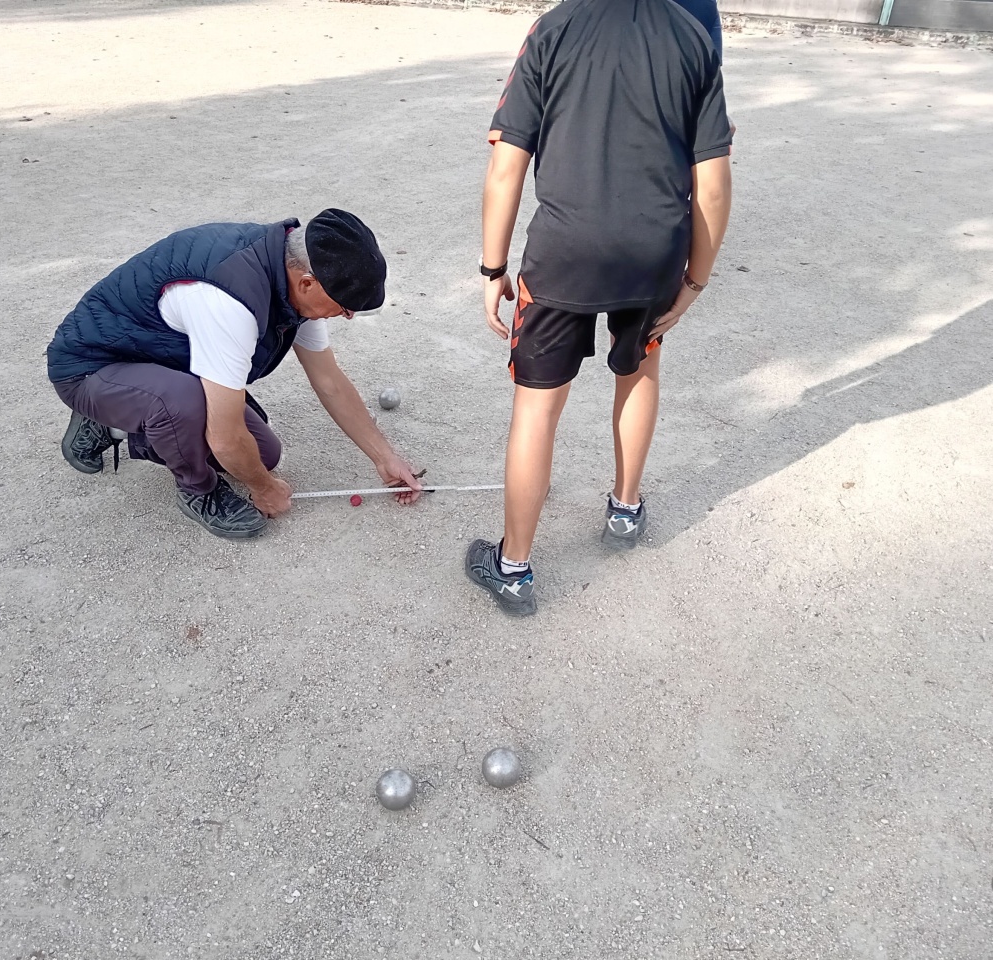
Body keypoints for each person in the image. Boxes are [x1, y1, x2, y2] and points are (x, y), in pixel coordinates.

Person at [466, 0, 734, 615]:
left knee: (536, 407)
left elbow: (506, 168)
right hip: (653, 253)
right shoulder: (693, 37)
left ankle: (513, 567)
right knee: (639, 369)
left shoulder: (553, 29)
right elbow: (714, 185)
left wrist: (493, 267)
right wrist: (695, 280)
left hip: (564, 253)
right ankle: (625, 509)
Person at [46, 209, 422, 538]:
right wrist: (264, 489)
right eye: (345, 306)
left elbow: (330, 381)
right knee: (187, 411)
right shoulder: (230, 302)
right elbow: (225, 440)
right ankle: (197, 490)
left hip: (157, 358)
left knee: (263, 454)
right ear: (308, 283)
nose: (348, 315)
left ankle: (119, 421)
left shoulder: (292, 277)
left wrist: (384, 457)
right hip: (90, 367)